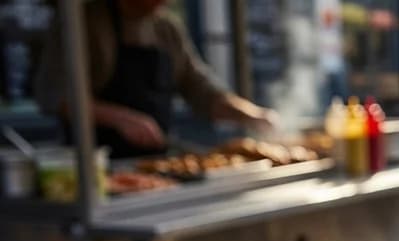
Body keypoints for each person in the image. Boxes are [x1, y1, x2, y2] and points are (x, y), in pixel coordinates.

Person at [34, 0, 276, 159]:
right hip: (97, 168)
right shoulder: (85, 22)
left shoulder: (166, 27)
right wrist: (122, 118)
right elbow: (57, 96)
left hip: (159, 164)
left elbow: (201, 89)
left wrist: (252, 114)